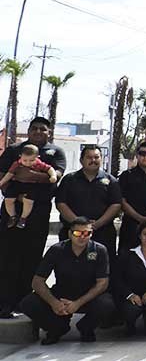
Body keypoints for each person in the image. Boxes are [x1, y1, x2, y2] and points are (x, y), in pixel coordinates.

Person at [0, 117, 66, 319]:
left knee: (32, 257)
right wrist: (23, 187)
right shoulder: (13, 150)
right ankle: (4, 302)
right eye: (34, 128)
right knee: (7, 256)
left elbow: (56, 177)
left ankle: (24, 301)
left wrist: (31, 176)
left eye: (43, 129)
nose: (38, 132)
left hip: (38, 212)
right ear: (28, 131)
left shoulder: (55, 152)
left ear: (49, 132)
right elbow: (3, 176)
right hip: (12, 210)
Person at [20, 217, 114, 345]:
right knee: (28, 303)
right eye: (77, 233)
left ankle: (86, 328)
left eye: (87, 233)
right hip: (61, 295)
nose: (82, 237)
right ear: (70, 233)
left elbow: (102, 283)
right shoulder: (56, 250)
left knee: (107, 303)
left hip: (87, 296)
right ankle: (56, 329)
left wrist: (77, 303)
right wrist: (53, 302)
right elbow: (37, 281)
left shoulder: (99, 250)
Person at [55, 146, 122, 260]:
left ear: (101, 159)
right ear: (81, 160)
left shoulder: (111, 181)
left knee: (102, 270)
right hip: (73, 234)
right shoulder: (69, 179)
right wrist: (80, 225)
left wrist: (96, 224)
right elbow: (61, 203)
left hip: (102, 233)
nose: (93, 160)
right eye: (89, 157)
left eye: (96, 157)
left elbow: (116, 205)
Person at [1, 143, 57, 229]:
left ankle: (23, 218)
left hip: (32, 184)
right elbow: (9, 174)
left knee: (28, 201)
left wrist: (53, 176)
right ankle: (13, 216)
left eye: (31, 160)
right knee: (8, 199)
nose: (28, 163)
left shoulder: (39, 164)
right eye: (25, 160)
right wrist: (1, 182)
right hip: (17, 183)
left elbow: (50, 169)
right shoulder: (17, 164)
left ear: (37, 157)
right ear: (20, 156)